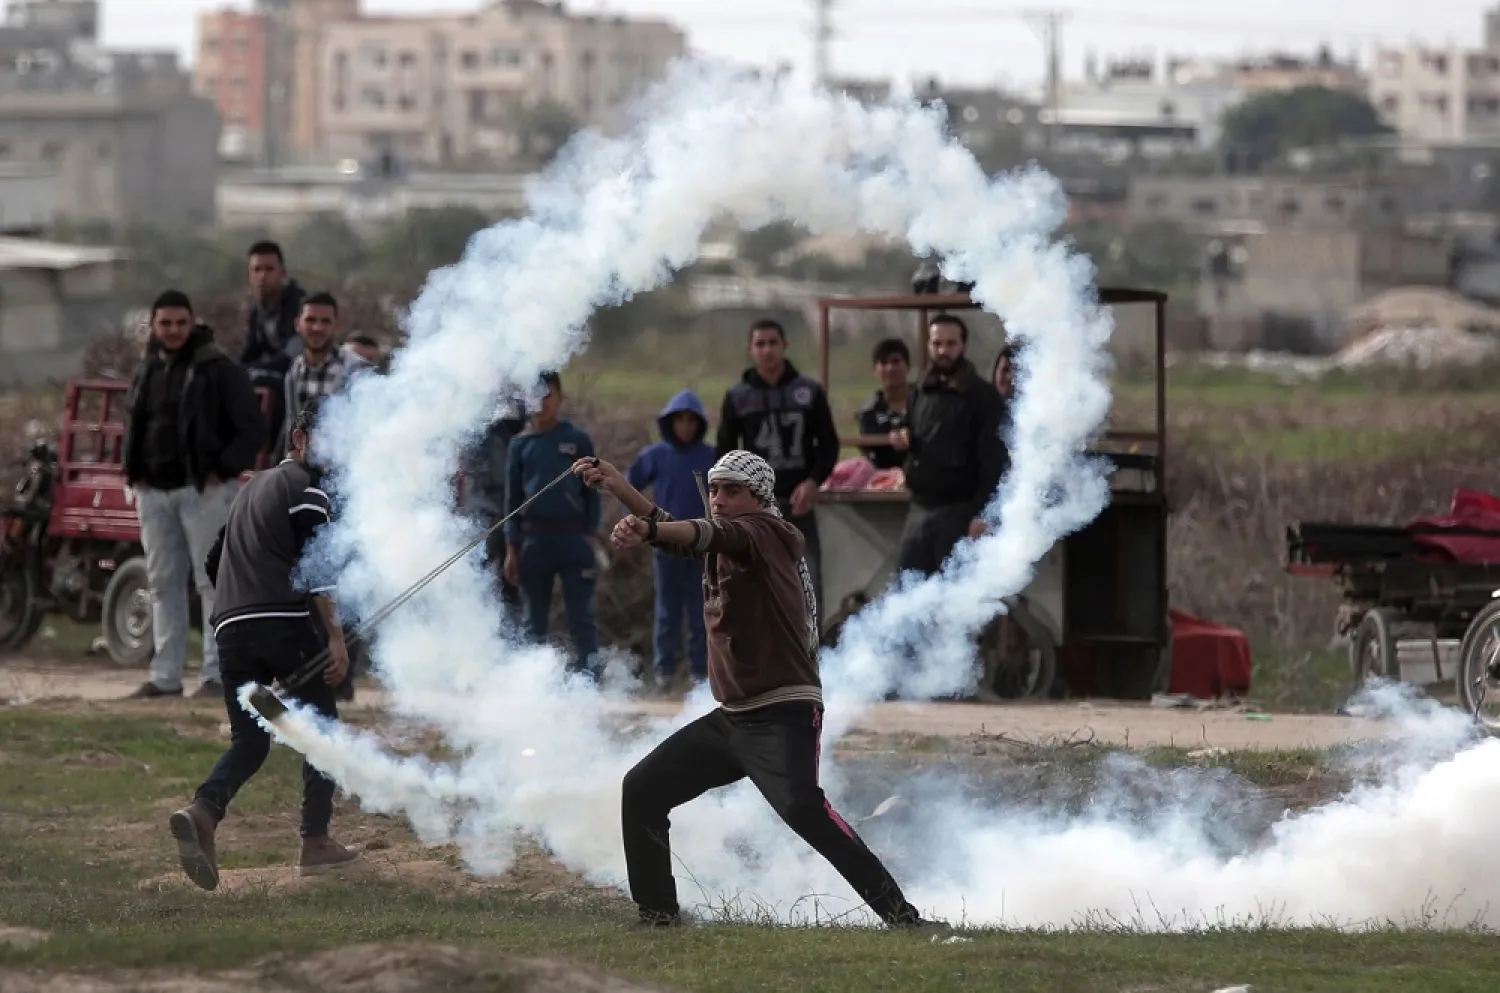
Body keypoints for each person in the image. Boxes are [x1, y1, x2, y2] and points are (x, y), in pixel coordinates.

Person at [573, 450, 928, 930]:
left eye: (732, 491)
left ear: (759, 499)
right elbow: (680, 531)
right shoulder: (729, 540)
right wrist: (619, 488)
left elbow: (698, 531)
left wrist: (650, 530)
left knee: (806, 811)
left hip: (784, 713)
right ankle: (657, 916)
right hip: (733, 718)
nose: (719, 499)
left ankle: (903, 918)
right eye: (714, 489)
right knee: (642, 789)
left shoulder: (765, 532)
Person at [167, 398, 361, 891]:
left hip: (229, 628)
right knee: (323, 731)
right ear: (299, 439)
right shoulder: (309, 490)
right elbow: (319, 572)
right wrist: (336, 640)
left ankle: (203, 812)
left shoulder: (251, 491)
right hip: (281, 622)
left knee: (251, 739)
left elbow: (214, 563)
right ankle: (315, 842)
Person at [121, 290, 267, 700]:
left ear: (193, 323)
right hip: (154, 493)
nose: (173, 331)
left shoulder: (217, 368)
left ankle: (217, 675)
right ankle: (164, 677)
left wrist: (223, 470)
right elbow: (135, 422)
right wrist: (135, 473)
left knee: (212, 583)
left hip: (203, 492)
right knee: (162, 583)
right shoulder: (147, 368)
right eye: (165, 324)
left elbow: (251, 427)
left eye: (180, 323)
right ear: (153, 325)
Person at [716, 319, 839, 620]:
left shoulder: (808, 392)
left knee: (805, 584)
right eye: (760, 344)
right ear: (751, 350)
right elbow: (724, 455)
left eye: (773, 343)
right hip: (753, 511)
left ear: (785, 346)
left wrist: (813, 482)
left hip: (799, 508)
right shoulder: (738, 397)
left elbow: (828, 445)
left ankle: (811, 658)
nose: (767, 350)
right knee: (752, 584)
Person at [892, 314, 1006, 578]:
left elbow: (992, 460)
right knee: (908, 590)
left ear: (963, 346)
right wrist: (903, 438)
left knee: (954, 598)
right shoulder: (920, 391)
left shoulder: (982, 397)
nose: (943, 351)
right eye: (937, 344)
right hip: (920, 507)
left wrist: (983, 514)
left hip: (959, 511)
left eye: (950, 344)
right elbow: (909, 430)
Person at [503, 372, 601, 676]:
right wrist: (511, 547)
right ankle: (534, 681)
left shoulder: (577, 440)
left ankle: (589, 676)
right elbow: (512, 500)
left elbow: (592, 492)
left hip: (573, 538)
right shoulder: (520, 445)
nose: (542, 402)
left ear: (560, 398)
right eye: (536, 395)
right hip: (534, 539)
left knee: (581, 615)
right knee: (534, 619)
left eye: (549, 395)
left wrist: (591, 534)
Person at [625, 389, 716, 692]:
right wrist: (640, 521)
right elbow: (628, 484)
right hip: (665, 543)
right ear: (670, 422)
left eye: (692, 420)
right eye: (680, 420)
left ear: (699, 423)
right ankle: (664, 673)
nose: (686, 426)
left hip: (701, 544)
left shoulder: (711, 457)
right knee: (667, 610)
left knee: (700, 608)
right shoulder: (657, 455)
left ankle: (700, 673)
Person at [461, 400, 528, 625]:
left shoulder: (507, 433)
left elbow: (510, 480)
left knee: (509, 589)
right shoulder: (473, 429)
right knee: (480, 587)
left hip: (505, 518)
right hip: (481, 517)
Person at [280, 291, 369, 456]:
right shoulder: (294, 371)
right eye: (310, 320)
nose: (317, 328)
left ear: (336, 326)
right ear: (297, 324)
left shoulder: (356, 369)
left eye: (325, 321)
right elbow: (292, 427)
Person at [240, 241, 307, 450]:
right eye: (257, 270)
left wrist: (254, 371)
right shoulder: (257, 311)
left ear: (282, 272)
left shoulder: (299, 306)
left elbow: (292, 356)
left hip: (299, 379)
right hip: (271, 376)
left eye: (269, 269)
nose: (262, 276)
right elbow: (249, 352)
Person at [855, 337, 911, 470]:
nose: (890, 368)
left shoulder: (925, 402)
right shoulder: (869, 412)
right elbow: (873, 454)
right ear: (875, 370)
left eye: (896, 362)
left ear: (907, 366)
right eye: (884, 363)